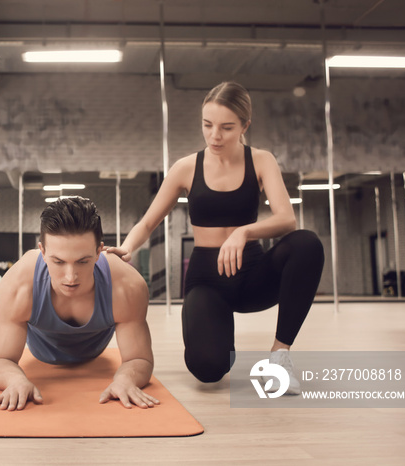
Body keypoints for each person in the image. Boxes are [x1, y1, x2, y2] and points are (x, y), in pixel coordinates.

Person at [106, 81, 324, 395]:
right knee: (208, 371)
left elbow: (286, 219)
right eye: (207, 125)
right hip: (207, 280)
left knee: (307, 244)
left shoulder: (261, 161)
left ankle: (279, 356)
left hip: (252, 274)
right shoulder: (185, 168)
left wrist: (244, 231)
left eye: (226, 127)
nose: (215, 136)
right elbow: (148, 221)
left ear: (245, 126)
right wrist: (126, 248)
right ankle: (219, 337)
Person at [0, 197, 159, 410]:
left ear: (99, 251)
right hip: (41, 355)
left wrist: (125, 380)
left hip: (95, 354)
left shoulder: (126, 285)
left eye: (82, 261)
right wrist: (15, 381)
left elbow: (139, 357)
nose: (70, 277)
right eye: (58, 262)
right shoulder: (18, 284)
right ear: (43, 251)